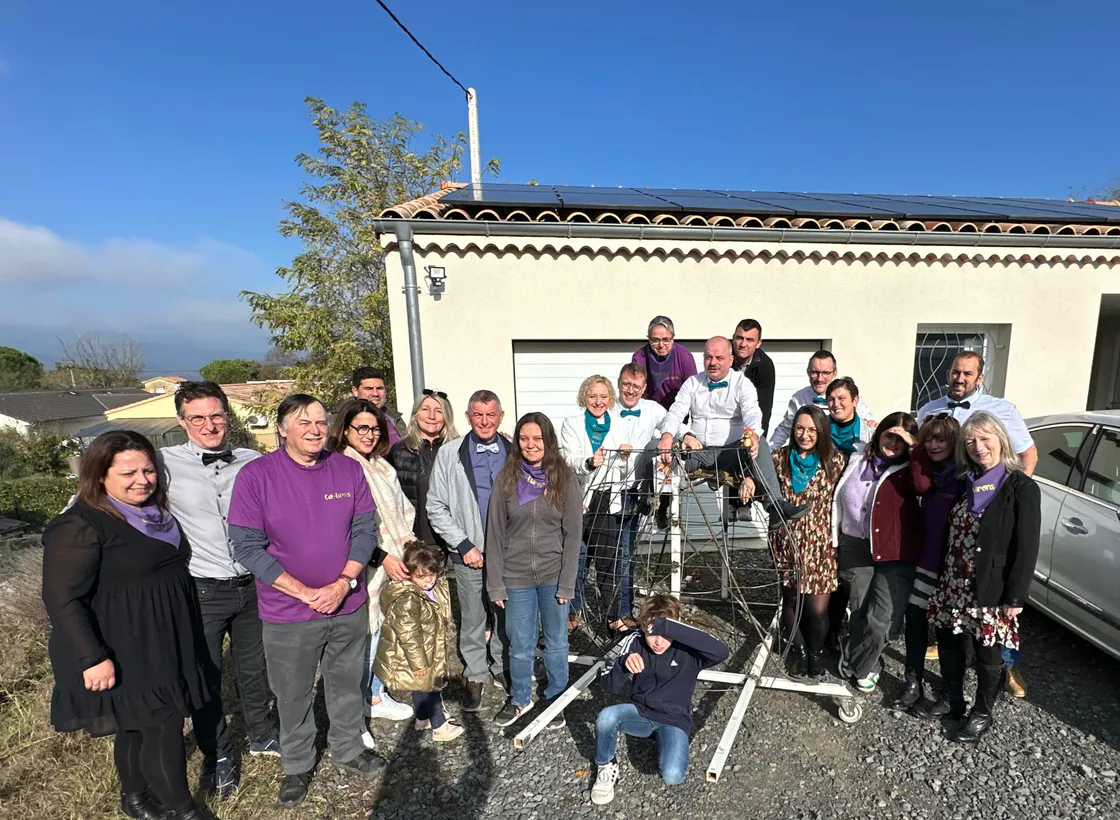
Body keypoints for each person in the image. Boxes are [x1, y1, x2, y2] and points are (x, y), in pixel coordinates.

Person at [42, 431, 211, 820]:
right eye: (128, 472)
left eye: (148, 469)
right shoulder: (81, 524)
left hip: (162, 638)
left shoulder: (156, 514)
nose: (142, 479)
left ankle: (134, 799)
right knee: (163, 725)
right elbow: (62, 598)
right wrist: (93, 657)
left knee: (135, 725)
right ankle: (181, 809)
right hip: (119, 644)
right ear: (100, 475)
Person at [229, 394, 384, 809]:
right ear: (282, 429)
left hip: (346, 604)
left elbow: (365, 530)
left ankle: (349, 747)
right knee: (293, 692)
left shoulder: (347, 469)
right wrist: (304, 592)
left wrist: (343, 582)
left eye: (320, 420)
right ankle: (297, 763)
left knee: (346, 682)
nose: (315, 429)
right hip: (288, 612)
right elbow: (246, 546)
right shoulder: (257, 477)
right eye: (304, 422)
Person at [160, 381, 279, 799]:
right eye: (198, 418)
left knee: (254, 670)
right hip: (203, 589)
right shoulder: (162, 464)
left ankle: (263, 736)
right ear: (182, 421)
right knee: (206, 676)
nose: (209, 425)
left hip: (252, 585)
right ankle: (218, 755)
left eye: (216, 415)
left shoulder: (252, 460)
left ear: (227, 415)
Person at [915, 350, 1037, 696]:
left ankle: (1006, 668)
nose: (960, 378)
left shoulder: (1003, 410)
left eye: (968, 374)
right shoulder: (928, 410)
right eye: (956, 372)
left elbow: (1029, 456)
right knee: (953, 595)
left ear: (979, 378)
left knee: (992, 606)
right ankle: (951, 661)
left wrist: (1005, 505)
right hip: (952, 510)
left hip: (988, 511)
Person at [919, 412, 1040, 743]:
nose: (978, 446)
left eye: (985, 438)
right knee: (949, 641)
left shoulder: (1019, 486)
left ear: (1001, 439)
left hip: (991, 584)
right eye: (971, 440)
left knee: (988, 651)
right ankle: (952, 698)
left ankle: (982, 712)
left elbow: (1026, 546)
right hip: (953, 581)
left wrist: (1015, 596)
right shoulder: (965, 481)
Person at [486, 412, 582, 728]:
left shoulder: (565, 480)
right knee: (520, 641)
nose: (530, 445)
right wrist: (495, 584)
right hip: (516, 577)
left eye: (537, 438)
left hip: (554, 574)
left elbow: (573, 537)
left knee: (556, 640)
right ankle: (520, 699)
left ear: (548, 441)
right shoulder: (505, 481)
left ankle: (556, 697)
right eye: (524, 438)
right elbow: (495, 535)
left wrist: (568, 583)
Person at [655, 337, 809, 530]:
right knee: (656, 446)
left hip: (731, 454)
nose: (713, 363)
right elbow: (676, 411)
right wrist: (668, 435)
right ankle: (657, 504)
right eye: (708, 357)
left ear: (730, 360)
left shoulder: (741, 383)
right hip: (698, 452)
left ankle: (775, 505)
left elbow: (752, 412)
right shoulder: (692, 383)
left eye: (719, 357)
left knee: (758, 442)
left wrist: (752, 434)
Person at [590, 594, 729, 804]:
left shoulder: (688, 649)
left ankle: (664, 742)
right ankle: (606, 765)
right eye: (650, 632)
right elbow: (608, 686)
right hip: (641, 713)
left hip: (674, 718)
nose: (657, 642)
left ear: (674, 628)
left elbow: (721, 651)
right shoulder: (634, 641)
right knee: (606, 717)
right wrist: (622, 663)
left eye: (664, 633)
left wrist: (669, 627)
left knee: (673, 776)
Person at [327, 398, 416, 723]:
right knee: (365, 634)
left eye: (374, 428)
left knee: (382, 633)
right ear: (345, 429)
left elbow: (402, 511)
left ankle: (375, 692)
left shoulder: (381, 465)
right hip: (365, 564)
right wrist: (382, 556)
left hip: (394, 557)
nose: (368, 434)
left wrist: (405, 549)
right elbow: (344, 525)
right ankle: (365, 701)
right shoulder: (340, 467)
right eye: (361, 427)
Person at [427, 389, 510, 713]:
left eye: (491, 415)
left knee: (506, 615)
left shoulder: (514, 450)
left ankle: (503, 665)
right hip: (469, 551)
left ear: (500, 417)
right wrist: (463, 545)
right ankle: (476, 672)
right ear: (467, 417)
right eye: (478, 415)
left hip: (507, 552)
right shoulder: (449, 454)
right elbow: (436, 506)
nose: (485, 421)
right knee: (474, 614)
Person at [832, 412, 922, 693]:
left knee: (882, 620)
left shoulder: (910, 470)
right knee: (858, 611)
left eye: (901, 439)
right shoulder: (858, 458)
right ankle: (866, 664)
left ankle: (858, 662)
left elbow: (925, 485)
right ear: (879, 433)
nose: (893, 443)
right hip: (855, 547)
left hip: (894, 554)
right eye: (889, 435)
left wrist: (915, 448)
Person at [767, 405, 846, 678]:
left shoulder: (835, 462)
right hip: (786, 541)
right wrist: (749, 484)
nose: (805, 434)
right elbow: (755, 474)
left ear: (822, 431)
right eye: (800, 428)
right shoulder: (778, 458)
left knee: (817, 609)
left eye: (812, 429)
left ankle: (816, 651)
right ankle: (799, 652)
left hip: (820, 545)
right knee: (790, 599)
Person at [894, 414, 962, 711]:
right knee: (916, 623)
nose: (933, 445)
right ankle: (913, 680)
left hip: (951, 570)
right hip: (924, 562)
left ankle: (951, 692)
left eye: (940, 439)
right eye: (929, 439)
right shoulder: (922, 470)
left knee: (949, 632)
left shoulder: (962, 478)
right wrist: (916, 449)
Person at [374, 541, 464, 742]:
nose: (428, 580)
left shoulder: (430, 588)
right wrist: (419, 663)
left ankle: (423, 717)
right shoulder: (407, 598)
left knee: (420, 685)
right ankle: (439, 726)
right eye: (422, 577)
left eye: (431, 574)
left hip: (428, 649)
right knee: (430, 686)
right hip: (417, 654)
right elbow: (409, 637)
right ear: (409, 574)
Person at [561, 375, 628, 630]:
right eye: (592, 396)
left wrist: (623, 458)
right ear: (584, 398)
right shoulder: (572, 424)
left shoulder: (620, 426)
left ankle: (612, 618)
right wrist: (588, 462)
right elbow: (569, 458)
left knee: (607, 563)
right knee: (574, 562)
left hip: (606, 502)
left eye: (603, 396)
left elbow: (626, 469)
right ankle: (571, 615)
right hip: (579, 500)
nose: (597, 401)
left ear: (611, 399)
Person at [613, 363, 666, 627]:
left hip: (637, 490)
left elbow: (673, 428)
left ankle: (623, 609)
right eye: (626, 384)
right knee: (615, 552)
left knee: (627, 551)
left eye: (636, 386)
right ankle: (621, 612)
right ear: (619, 383)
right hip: (609, 489)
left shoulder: (654, 410)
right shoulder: (608, 409)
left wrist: (687, 436)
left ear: (644, 388)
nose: (630, 390)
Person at [387, 389, 459, 553]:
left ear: (447, 417)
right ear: (415, 414)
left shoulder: (458, 450)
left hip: (453, 541)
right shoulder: (399, 451)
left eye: (439, 411)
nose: (431, 416)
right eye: (425, 409)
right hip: (415, 541)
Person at [770, 351, 876, 448]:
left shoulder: (849, 394)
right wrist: (769, 453)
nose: (820, 378)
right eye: (815, 372)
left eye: (825, 373)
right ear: (808, 372)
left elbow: (866, 423)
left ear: (834, 373)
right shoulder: (799, 398)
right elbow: (785, 429)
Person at [631, 315, 697, 409]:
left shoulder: (685, 357)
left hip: (678, 411)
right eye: (655, 340)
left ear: (673, 339)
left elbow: (692, 391)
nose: (661, 345)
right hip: (648, 410)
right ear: (649, 339)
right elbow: (635, 390)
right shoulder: (639, 358)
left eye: (666, 340)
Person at [732, 319, 776, 436]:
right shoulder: (723, 358)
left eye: (750, 340)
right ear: (733, 338)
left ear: (758, 343)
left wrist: (758, 439)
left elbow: (764, 409)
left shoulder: (765, 366)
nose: (743, 344)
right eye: (739, 338)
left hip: (750, 425)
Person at [351, 366, 406, 445]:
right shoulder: (344, 419)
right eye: (369, 388)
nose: (375, 394)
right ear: (355, 391)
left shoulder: (394, 418)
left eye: (379, 388)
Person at [826, 377, 875, 458]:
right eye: (831, 399)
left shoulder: (870, 434)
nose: (836, 404)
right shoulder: (819, 428)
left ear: (855, 401)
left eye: (841, 398)